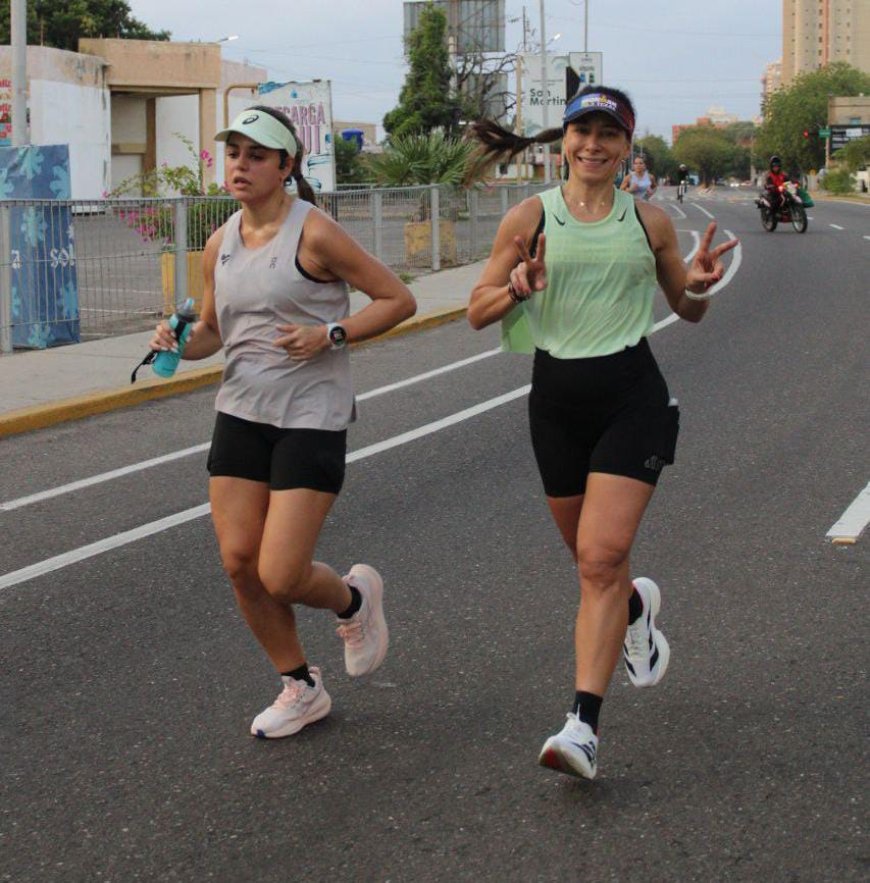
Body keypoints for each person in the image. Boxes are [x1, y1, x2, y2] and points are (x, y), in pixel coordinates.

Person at [467, 86, 738, 780]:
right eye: (582, 131)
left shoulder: (649, 222)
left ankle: (581, 726)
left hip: (631, 396)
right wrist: (518, 290)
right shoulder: (529, 218)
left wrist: (700, 284)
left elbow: (687, 307)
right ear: (564, 141)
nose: (593, 144)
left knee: (597, 558)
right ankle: (637, 604)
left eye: (608, 134)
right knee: (598, 567)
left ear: (626, 147)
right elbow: (476, 311)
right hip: (555, 400)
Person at [149, 106, 416, 739]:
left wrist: (332, 332)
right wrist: (174, 341)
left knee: (282, 574)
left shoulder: (314, 234)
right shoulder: (220, 242)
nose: (240, 165)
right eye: (234, 153)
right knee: (241, 562)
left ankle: (353, 600)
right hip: (240, 413)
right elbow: (213, 332)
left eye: (256, 155)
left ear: (286, 166)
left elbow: (397, 300)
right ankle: (300, 685)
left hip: (311, 418)